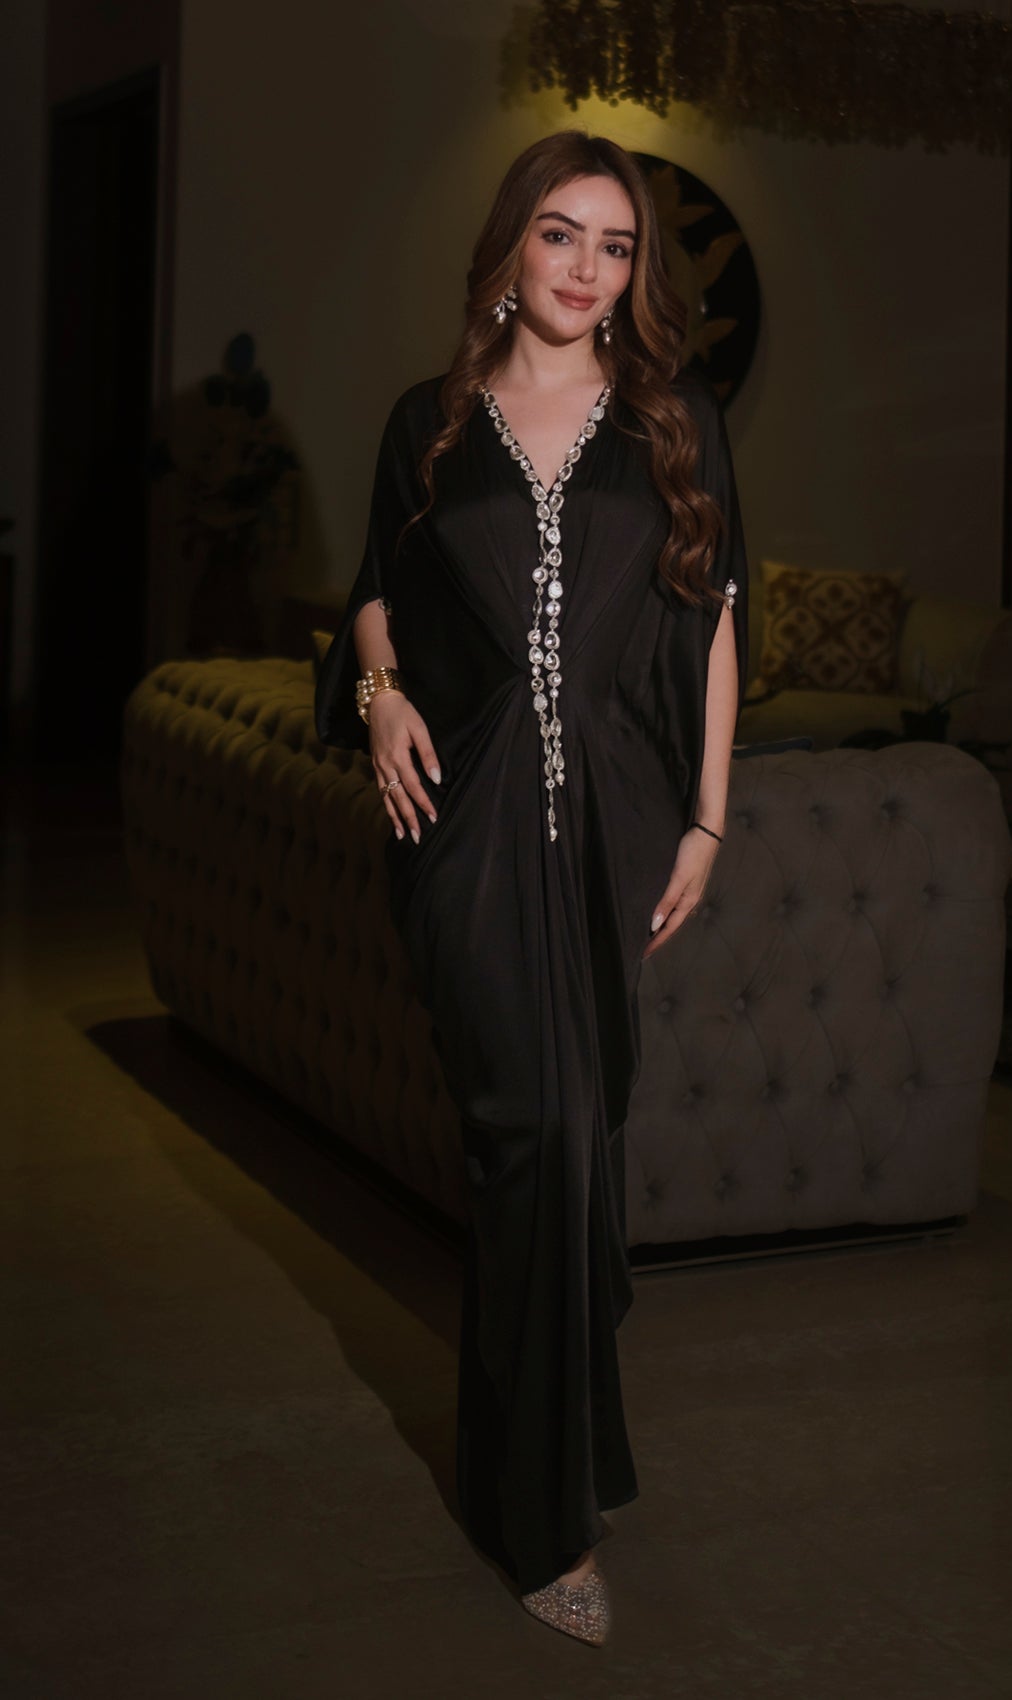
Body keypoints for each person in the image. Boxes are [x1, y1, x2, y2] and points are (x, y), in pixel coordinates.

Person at [314, 130, 749, 1646]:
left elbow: (714, 620)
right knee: (531, 1138)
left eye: (616, 246)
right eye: (561, 233)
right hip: (467, 827)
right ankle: (541, 1516)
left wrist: (707, 823)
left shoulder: (677, 421)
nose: (586, 269)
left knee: (585, 1141)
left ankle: (561, 1450)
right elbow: (377, 593)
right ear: (510, 244)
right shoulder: (427, 424)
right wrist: (378, 696)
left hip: (620, 828)